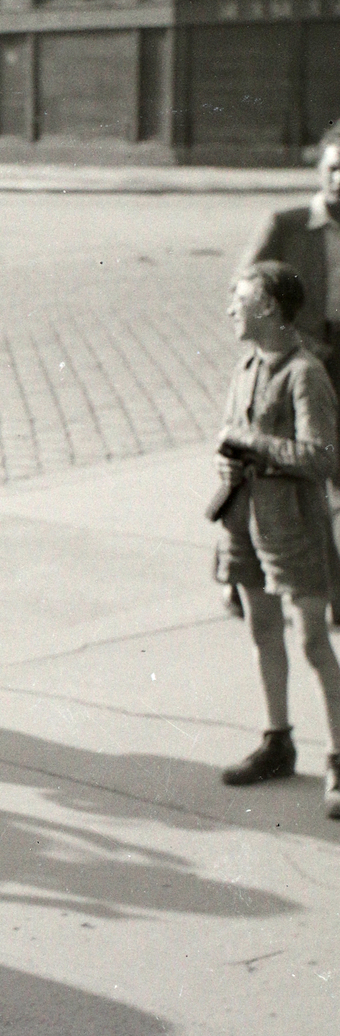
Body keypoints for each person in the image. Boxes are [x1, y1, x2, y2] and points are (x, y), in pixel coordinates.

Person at [213, 261, 340, 817]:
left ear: (267, 307)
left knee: (312, 642)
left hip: (294, 526)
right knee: (262, 628)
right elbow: (231, 441)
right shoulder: (247, 365)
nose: (231, 310)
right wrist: (228, 462)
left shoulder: (304, 373)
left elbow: (321, 457)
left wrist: (252, 444)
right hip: (245, 520)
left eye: (240, 301)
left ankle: (339, 755)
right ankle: (277, 741)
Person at [239, 125, 340, 617]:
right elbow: (246, 289)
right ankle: (242, 575)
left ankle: (329, 591)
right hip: (302, 357)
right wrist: (291, 338)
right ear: (318, 170)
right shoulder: (286, 224)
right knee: (286, 474)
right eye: (333, 168)